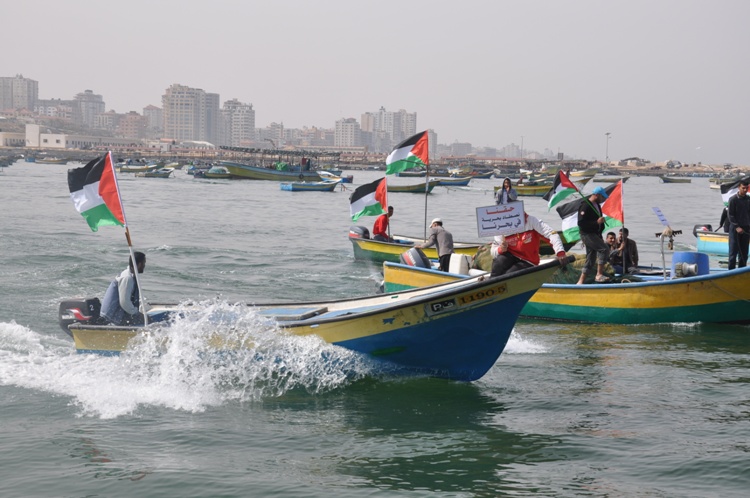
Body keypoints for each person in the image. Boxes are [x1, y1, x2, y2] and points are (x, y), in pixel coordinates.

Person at [490, 212, 568, 277]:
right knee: (498, 263)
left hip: (528, 261)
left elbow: (552, 234)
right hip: (510, 256)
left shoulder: (532, 221)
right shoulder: (502, 225)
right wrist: (500, 249)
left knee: (510, 274)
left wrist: (560, 252)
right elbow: (493, 251)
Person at [576, 186, 611, 284]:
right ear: (596, 195)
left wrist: (599, 230)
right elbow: (581, 223)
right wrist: (596, 222)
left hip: (595, 234)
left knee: (591, 258)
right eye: (602, 197)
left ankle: (580, 282)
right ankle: (599, 275)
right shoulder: (585, 205)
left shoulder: (597, 205)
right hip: (587, 234)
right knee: (604, 249)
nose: (603, 199)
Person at [101, 251, 146, 326]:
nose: (144, 266)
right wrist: (137, 314)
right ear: (139, 264)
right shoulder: (127, 278)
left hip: (120, 313)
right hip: (113, 317)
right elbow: (124, 303)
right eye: (144, 263)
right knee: (150, 323)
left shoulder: (131, 276)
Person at [727, 178, 750, 269]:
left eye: (746, 188)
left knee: (744, 253)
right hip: (735, 229)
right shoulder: (733, 200)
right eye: (743, 188)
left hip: (746, 228)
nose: (745, 190)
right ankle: (730, 273)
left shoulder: (748, 200)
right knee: (733, 252)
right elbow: (730, 215)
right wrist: (737, 226)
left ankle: (741, 272)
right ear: (738, 188)